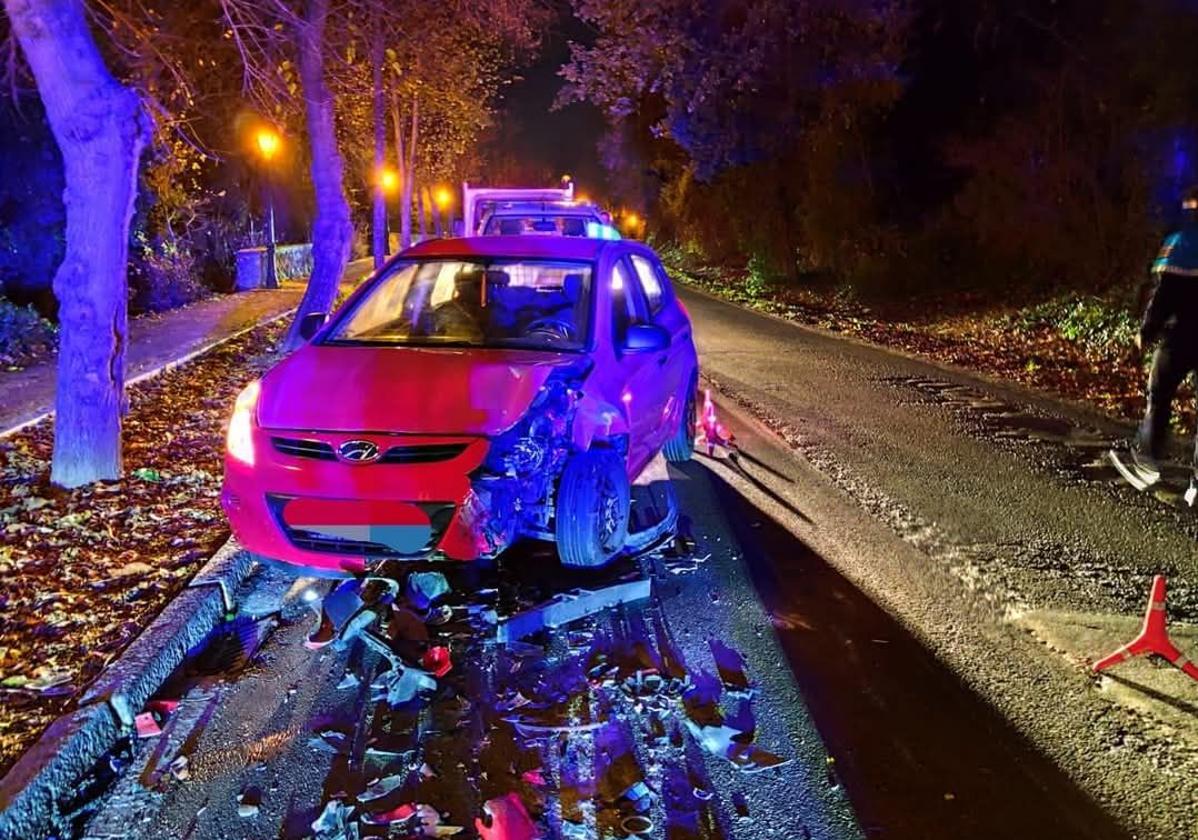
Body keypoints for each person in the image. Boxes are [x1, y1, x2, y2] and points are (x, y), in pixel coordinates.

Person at [1109, 185, 1198, 505]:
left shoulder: (1180, 243)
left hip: (1182, 336)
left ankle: (1147, 460)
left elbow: (1164, 296)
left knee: (1159, 393)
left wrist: (1144, 334)